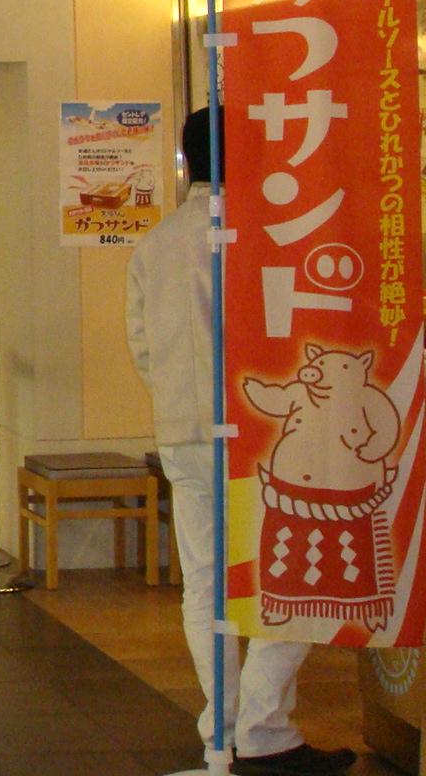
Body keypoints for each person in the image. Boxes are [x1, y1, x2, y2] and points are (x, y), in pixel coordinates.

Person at [126, 109, 354, 776]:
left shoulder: (155, 244)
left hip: (182, 432)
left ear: (187, 160)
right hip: (265, 437)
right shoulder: (266, 236)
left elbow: (143, 346)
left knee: (204, 586)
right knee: (298, 578)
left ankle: (223, 730)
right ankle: (261, 726)